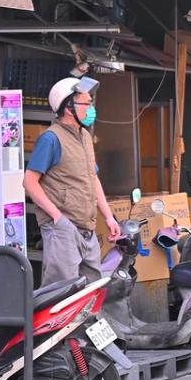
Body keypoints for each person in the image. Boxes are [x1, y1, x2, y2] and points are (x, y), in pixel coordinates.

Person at [24, 77, 121, 285]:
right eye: (87, 103)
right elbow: (29, 182)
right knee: (61, 293)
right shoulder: (50, 138)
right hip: (63, 229)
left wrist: (109, 217)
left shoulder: (85, 136)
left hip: (87, 229)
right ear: (69, 107)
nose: (91, 108)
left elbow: (92, 178)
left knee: (91, 289)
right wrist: (58, 217)